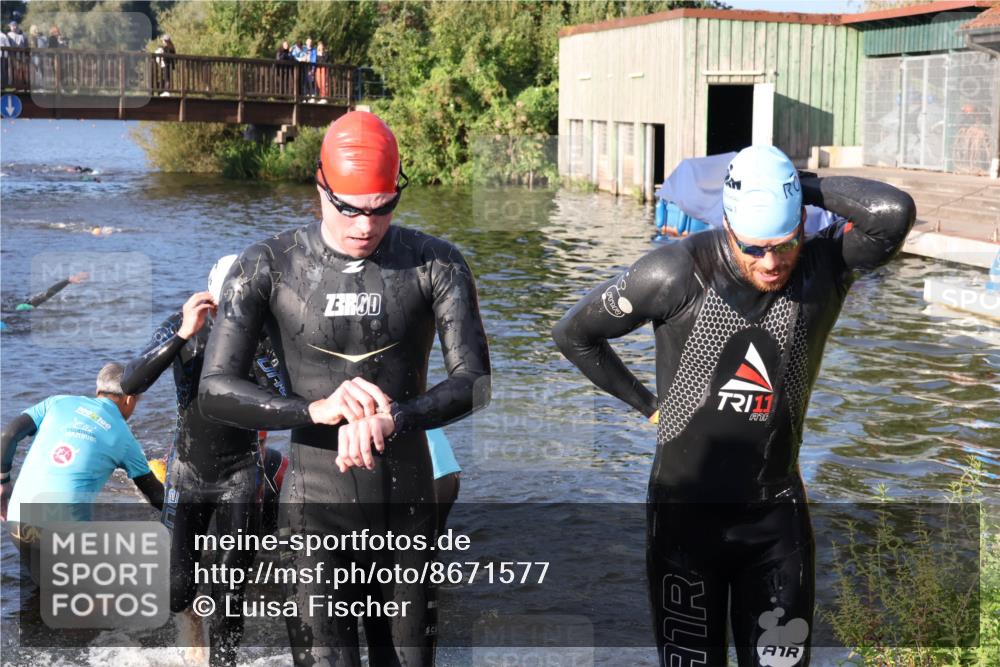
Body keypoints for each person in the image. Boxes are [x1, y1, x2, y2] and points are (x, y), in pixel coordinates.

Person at [552, 145, 915, 667]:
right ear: (727, 223)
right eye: (755, 247)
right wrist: (648, 405)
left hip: (775, 522)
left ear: (801, 228)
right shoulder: (676, 272)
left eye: (785, 242)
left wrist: (795, 182)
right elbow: (575, 334)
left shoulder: (824, 267)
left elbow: (893, 213)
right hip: (684, 522)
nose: (772, 262)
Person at [198, 110, 491, 667]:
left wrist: (396, 417)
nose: (365, 225)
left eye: (382, 208)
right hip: (314, 512)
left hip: (404, 510)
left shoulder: (437, 263)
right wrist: (317, 408)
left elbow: (475, 383)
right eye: (349, 208)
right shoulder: (267, 265)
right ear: (321, 186)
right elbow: (215, 389)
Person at [120, 256, 287, 667]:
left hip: (241, 473)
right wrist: (181, 334)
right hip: (188, 471)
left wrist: (257, 341)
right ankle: (193, 633)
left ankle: (222, 661)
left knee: (230, 593)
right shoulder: (184, 321)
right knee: (179, 592)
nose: (236, 307)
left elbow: (285, 392)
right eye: (228, 298)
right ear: (212, 293)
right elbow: (130, 381)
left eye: (246, 299)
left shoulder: (264, 331)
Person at [0, 363, 164, 582]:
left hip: (17, 521)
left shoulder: (57, 402)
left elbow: (9, 435)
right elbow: (156, 496)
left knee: (47, 588)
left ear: (97, 392)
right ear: (129, 399)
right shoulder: (124, 438)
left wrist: (3, 482)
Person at [0, 271, 89, 332]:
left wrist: (67, 281)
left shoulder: (20, 310)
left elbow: (44, 296)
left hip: (18, 315)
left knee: (23, 307)